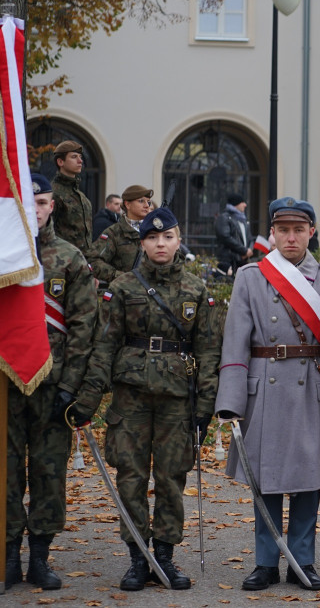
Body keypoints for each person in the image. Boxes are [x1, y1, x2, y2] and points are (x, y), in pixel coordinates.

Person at [72, 207, 220, 592]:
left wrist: (206, 407)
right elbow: (104, 345)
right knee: (131, 479)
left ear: (178, 240)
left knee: (172, 479)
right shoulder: (123, 287)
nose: (160, 244)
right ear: (143, 242)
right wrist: (87, 400)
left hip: (177, 401)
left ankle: (165, 557)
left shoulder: (194, 290)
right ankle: (139, 557)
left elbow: (208, 352)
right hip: (131, 399)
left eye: (167, 237)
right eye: (153, 238)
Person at [215, 197, 320, 592]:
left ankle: (301, 561)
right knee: (266, 478)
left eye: (298, 230)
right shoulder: (250, 276)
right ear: (272, 233)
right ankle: (265, 563)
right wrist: (230, 401)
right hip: (264, 388)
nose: (291, 237)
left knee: (308, 480)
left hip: (311, 388)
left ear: (312, 232)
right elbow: (235, 343)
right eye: (283, 230)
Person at [5, 174, 96, 591]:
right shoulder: (3, 256)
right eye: (28, 203)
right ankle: (7, 558)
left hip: (52, 386)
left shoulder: (70, 257)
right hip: (5, 384)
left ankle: (39, 558)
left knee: (48, 474)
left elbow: (83, 327)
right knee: (5, 475)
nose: (35, 211)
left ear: (51, 206)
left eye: (41, 203)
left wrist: (70, 386)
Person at [89, 185, 154, 287]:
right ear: (127, 204)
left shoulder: (155, 231)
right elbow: (94, 261)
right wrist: (121, 277)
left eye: (148, 202)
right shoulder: (114, 232)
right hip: (125, 293)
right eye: (141, 201)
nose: (147, 205)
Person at [49, 140, 92, 254]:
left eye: (80, 157)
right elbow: (47, 232)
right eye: (74, 157)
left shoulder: (80, 195)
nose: (80, 161)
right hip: (63, 260)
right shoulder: (53, 193)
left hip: (83, 261)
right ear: (60, 162)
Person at [215, 192, 253, 274]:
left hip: (242, 260)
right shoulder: (224, 218)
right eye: (242, 202)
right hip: (229, 261)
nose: (245, 205)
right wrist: (244, 251)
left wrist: (249, 250)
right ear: (236, 204)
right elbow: (225, 237)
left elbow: (250, 238)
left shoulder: (243, 220)